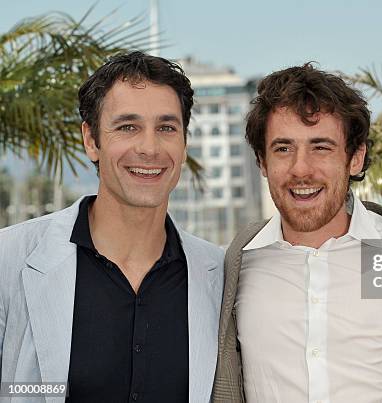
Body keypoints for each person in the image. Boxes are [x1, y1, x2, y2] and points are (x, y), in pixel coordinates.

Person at [212, 63, 382, 403]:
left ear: (355, 158)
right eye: (283, 149)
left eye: (321, 147)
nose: (301, 169)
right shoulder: (237, 264)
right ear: (262, 161)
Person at [0, 51, 224, 403]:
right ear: (91, 140)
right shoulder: (9, 259)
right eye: (127, 127)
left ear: (184, 143)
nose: (150, 148)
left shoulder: (220, 276)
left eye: (166, 127)